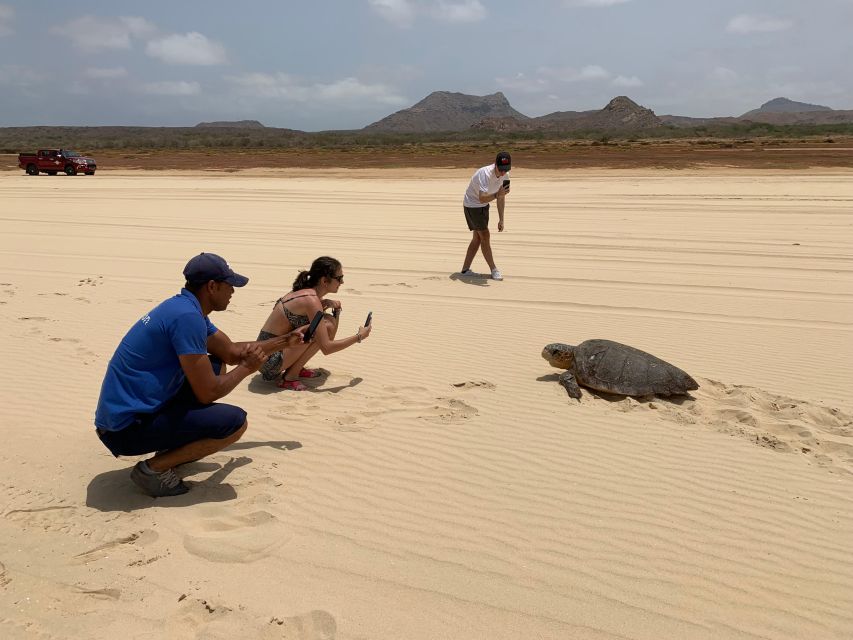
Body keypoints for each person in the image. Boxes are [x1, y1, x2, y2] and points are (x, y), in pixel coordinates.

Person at [94, 253, 306, 498]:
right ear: (212, 286)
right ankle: (152, 470)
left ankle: (169, 450)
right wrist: (248, 368)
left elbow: (230, 353)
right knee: (235, 424)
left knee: (215, 365)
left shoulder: (185, 308)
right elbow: (209, 393)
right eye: (229, 286)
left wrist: (283, 342)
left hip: (129, 415)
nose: (233, 292)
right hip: (123, 430)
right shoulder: (187, 318)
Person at [257, 256, 372, 391]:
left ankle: (296, 368)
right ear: (324, 280)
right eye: (339, 278)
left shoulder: (309, 294)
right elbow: (327, 347)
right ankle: (290, 377)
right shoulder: (311, 300)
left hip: (265, 354)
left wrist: (336, 312)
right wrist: (359, 337)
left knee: (326, 323)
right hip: (269, 360)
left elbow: (329, 336)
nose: (342, 282)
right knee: (325, 325)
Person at [459, 150, 512, 281]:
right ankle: (494, 269)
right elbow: (482, 198)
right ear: (495, 165)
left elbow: (501, 198)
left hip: (483, 207)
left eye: (506, 169)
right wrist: (496, 195)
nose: (503, 173)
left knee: (477, 239)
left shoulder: (506, 175)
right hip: (473, 205)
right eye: (501, 170)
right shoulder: (485, 174)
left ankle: (465, 270)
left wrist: (501, 219)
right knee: (485, 236)